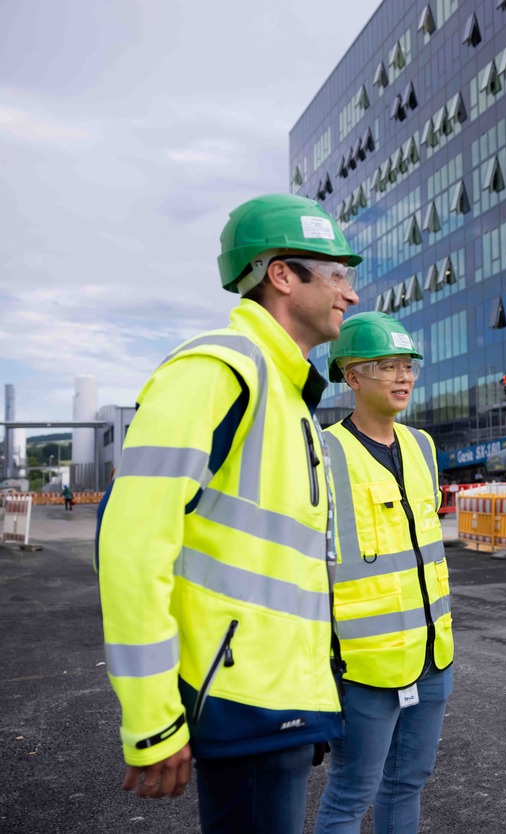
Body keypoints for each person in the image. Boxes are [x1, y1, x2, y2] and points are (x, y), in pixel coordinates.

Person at [95, 194, 361, 833]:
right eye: (337, 275)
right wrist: (154, 717)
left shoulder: (287, 391)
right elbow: (133, 547)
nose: (350, 295)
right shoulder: (218, 371)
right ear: (280, 276)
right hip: (241, 699)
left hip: (281, 697)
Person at [314, 312, 454, 834]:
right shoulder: (323, 452)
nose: (403, 377)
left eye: (408, 366)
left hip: (432, 655)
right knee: (352, 791)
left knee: (407, 783)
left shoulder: (423, 447)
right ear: (351, 377)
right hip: (361, 666)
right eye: (386, 366)